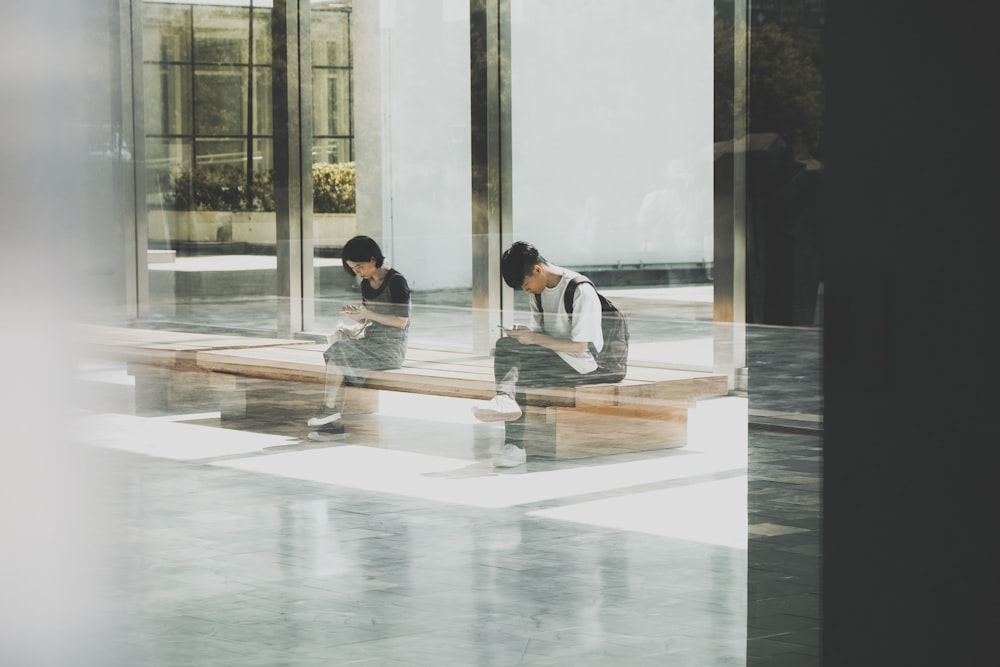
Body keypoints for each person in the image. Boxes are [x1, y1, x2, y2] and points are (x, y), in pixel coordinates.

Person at [471, 241, 614, 467]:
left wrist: (533, 339)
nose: (527, 292)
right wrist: (524, 335)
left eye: (527, 286)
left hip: (584, 366)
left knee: (526, 370)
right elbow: (539, 335)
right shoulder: (538, 293)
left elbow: (579, 347)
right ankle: (505, 399)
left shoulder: (580, 290)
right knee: (505, 344)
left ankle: (514, 444)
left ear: (538, 270)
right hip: (556, 357)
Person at [307, 235, 410, 440]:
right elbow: (369, 320)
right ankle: (331, 421)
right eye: (353, 269)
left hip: (391, 350)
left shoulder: (397, 281)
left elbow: (401, 321)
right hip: (371, 343)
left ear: (373, 259)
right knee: (339, 356)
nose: (357, 272)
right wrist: (357, 317)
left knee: (339, 353)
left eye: (359, 267)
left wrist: (366, 314)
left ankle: (330, 416)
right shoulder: (365, 284)